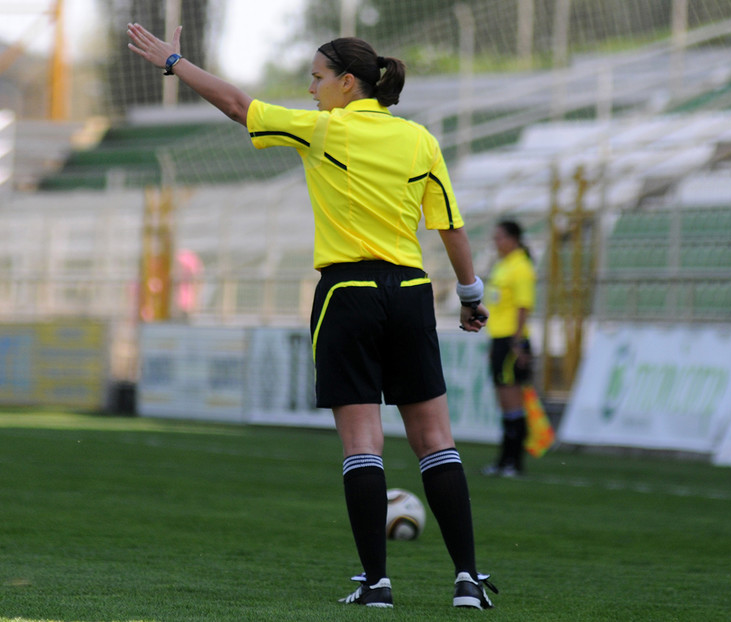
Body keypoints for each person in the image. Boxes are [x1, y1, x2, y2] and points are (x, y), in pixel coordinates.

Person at [127, 24, 497, 610]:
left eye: (317, 78)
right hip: (409, 291)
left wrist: (174, 61)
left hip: (348, 291)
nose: (310, 89)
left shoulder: (325, 131)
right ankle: (468, 581)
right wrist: (472, 294)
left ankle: (377, 584)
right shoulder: (420, 141)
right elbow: (450, 226)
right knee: (435, 440)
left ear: (348, 83)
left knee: (362, 444)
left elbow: (235, 104)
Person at [481, 220, 536, 478]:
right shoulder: (503, 265)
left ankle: (514, 461)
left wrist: (517, 343)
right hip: (500, 339)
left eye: (500, 237)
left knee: (513, 403)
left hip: (512, 341)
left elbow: (522, 307)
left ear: (514, 239)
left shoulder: (521, 267)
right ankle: (504, 460)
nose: (496, 242)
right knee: (505, 403)